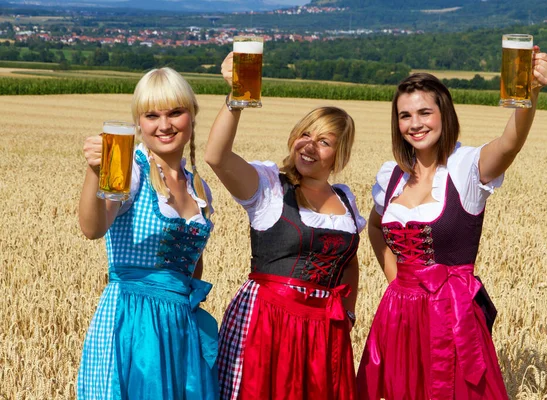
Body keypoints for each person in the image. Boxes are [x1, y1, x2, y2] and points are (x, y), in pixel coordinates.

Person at [357, 49, 547, 400]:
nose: (415, 124)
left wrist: (530, 95)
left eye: (424, 112)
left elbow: (510, 144)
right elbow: (375, 228)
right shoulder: (391, 177)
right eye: (405, 116)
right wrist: (396, 280)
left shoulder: (465, 167)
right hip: (399, 314)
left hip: (452, 316)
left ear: (444, 115)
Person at [205, 53, 366, 400]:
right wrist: (236, 100)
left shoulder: (346, 200)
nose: (309, 145)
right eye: (305, 134)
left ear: (340, 154)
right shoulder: (269, 188)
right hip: (268, 323)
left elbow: (350, 262)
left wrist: (348, 312)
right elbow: (217, 156)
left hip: (324, 332)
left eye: (324, 142)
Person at [77, 67, 219, 399]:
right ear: (139, 123)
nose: (164, 124)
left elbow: (190, 266)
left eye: (175, 112)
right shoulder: (132, 171)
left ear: (192, 116)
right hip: (133, 321)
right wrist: (95, 172)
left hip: (179, 325)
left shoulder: (199, 187)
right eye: (152, 115)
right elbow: (93, 227)